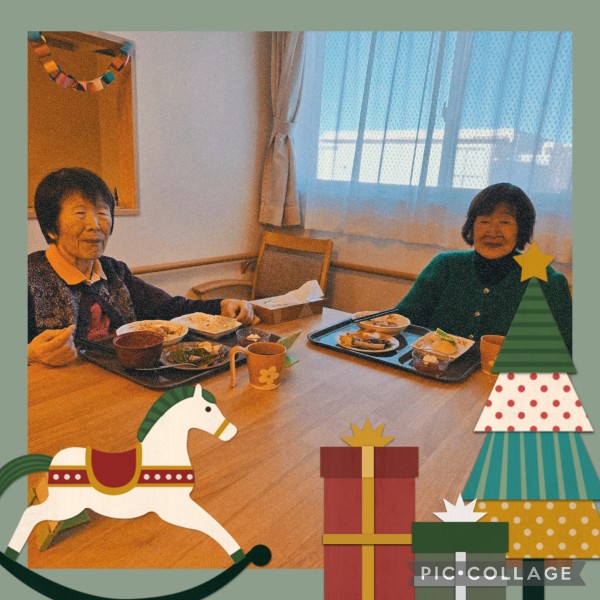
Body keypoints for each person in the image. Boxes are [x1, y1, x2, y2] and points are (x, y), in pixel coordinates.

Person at [28, 167, 259, 367]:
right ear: (50, 227)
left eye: (102, 212)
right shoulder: (28, 277)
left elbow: (168, 307)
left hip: (122, 378)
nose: (94, 225)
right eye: (80, 214)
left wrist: (221, 306)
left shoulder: (113, 271)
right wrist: (32, 353)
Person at [394, 182, 572, 351]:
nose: (492, 232)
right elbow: (402, 322)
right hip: (433, 367)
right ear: (472, 226)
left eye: (505, 222)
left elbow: (563, 352)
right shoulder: (445, 266)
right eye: (484, 221)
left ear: (521, 229)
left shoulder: (547, 282)